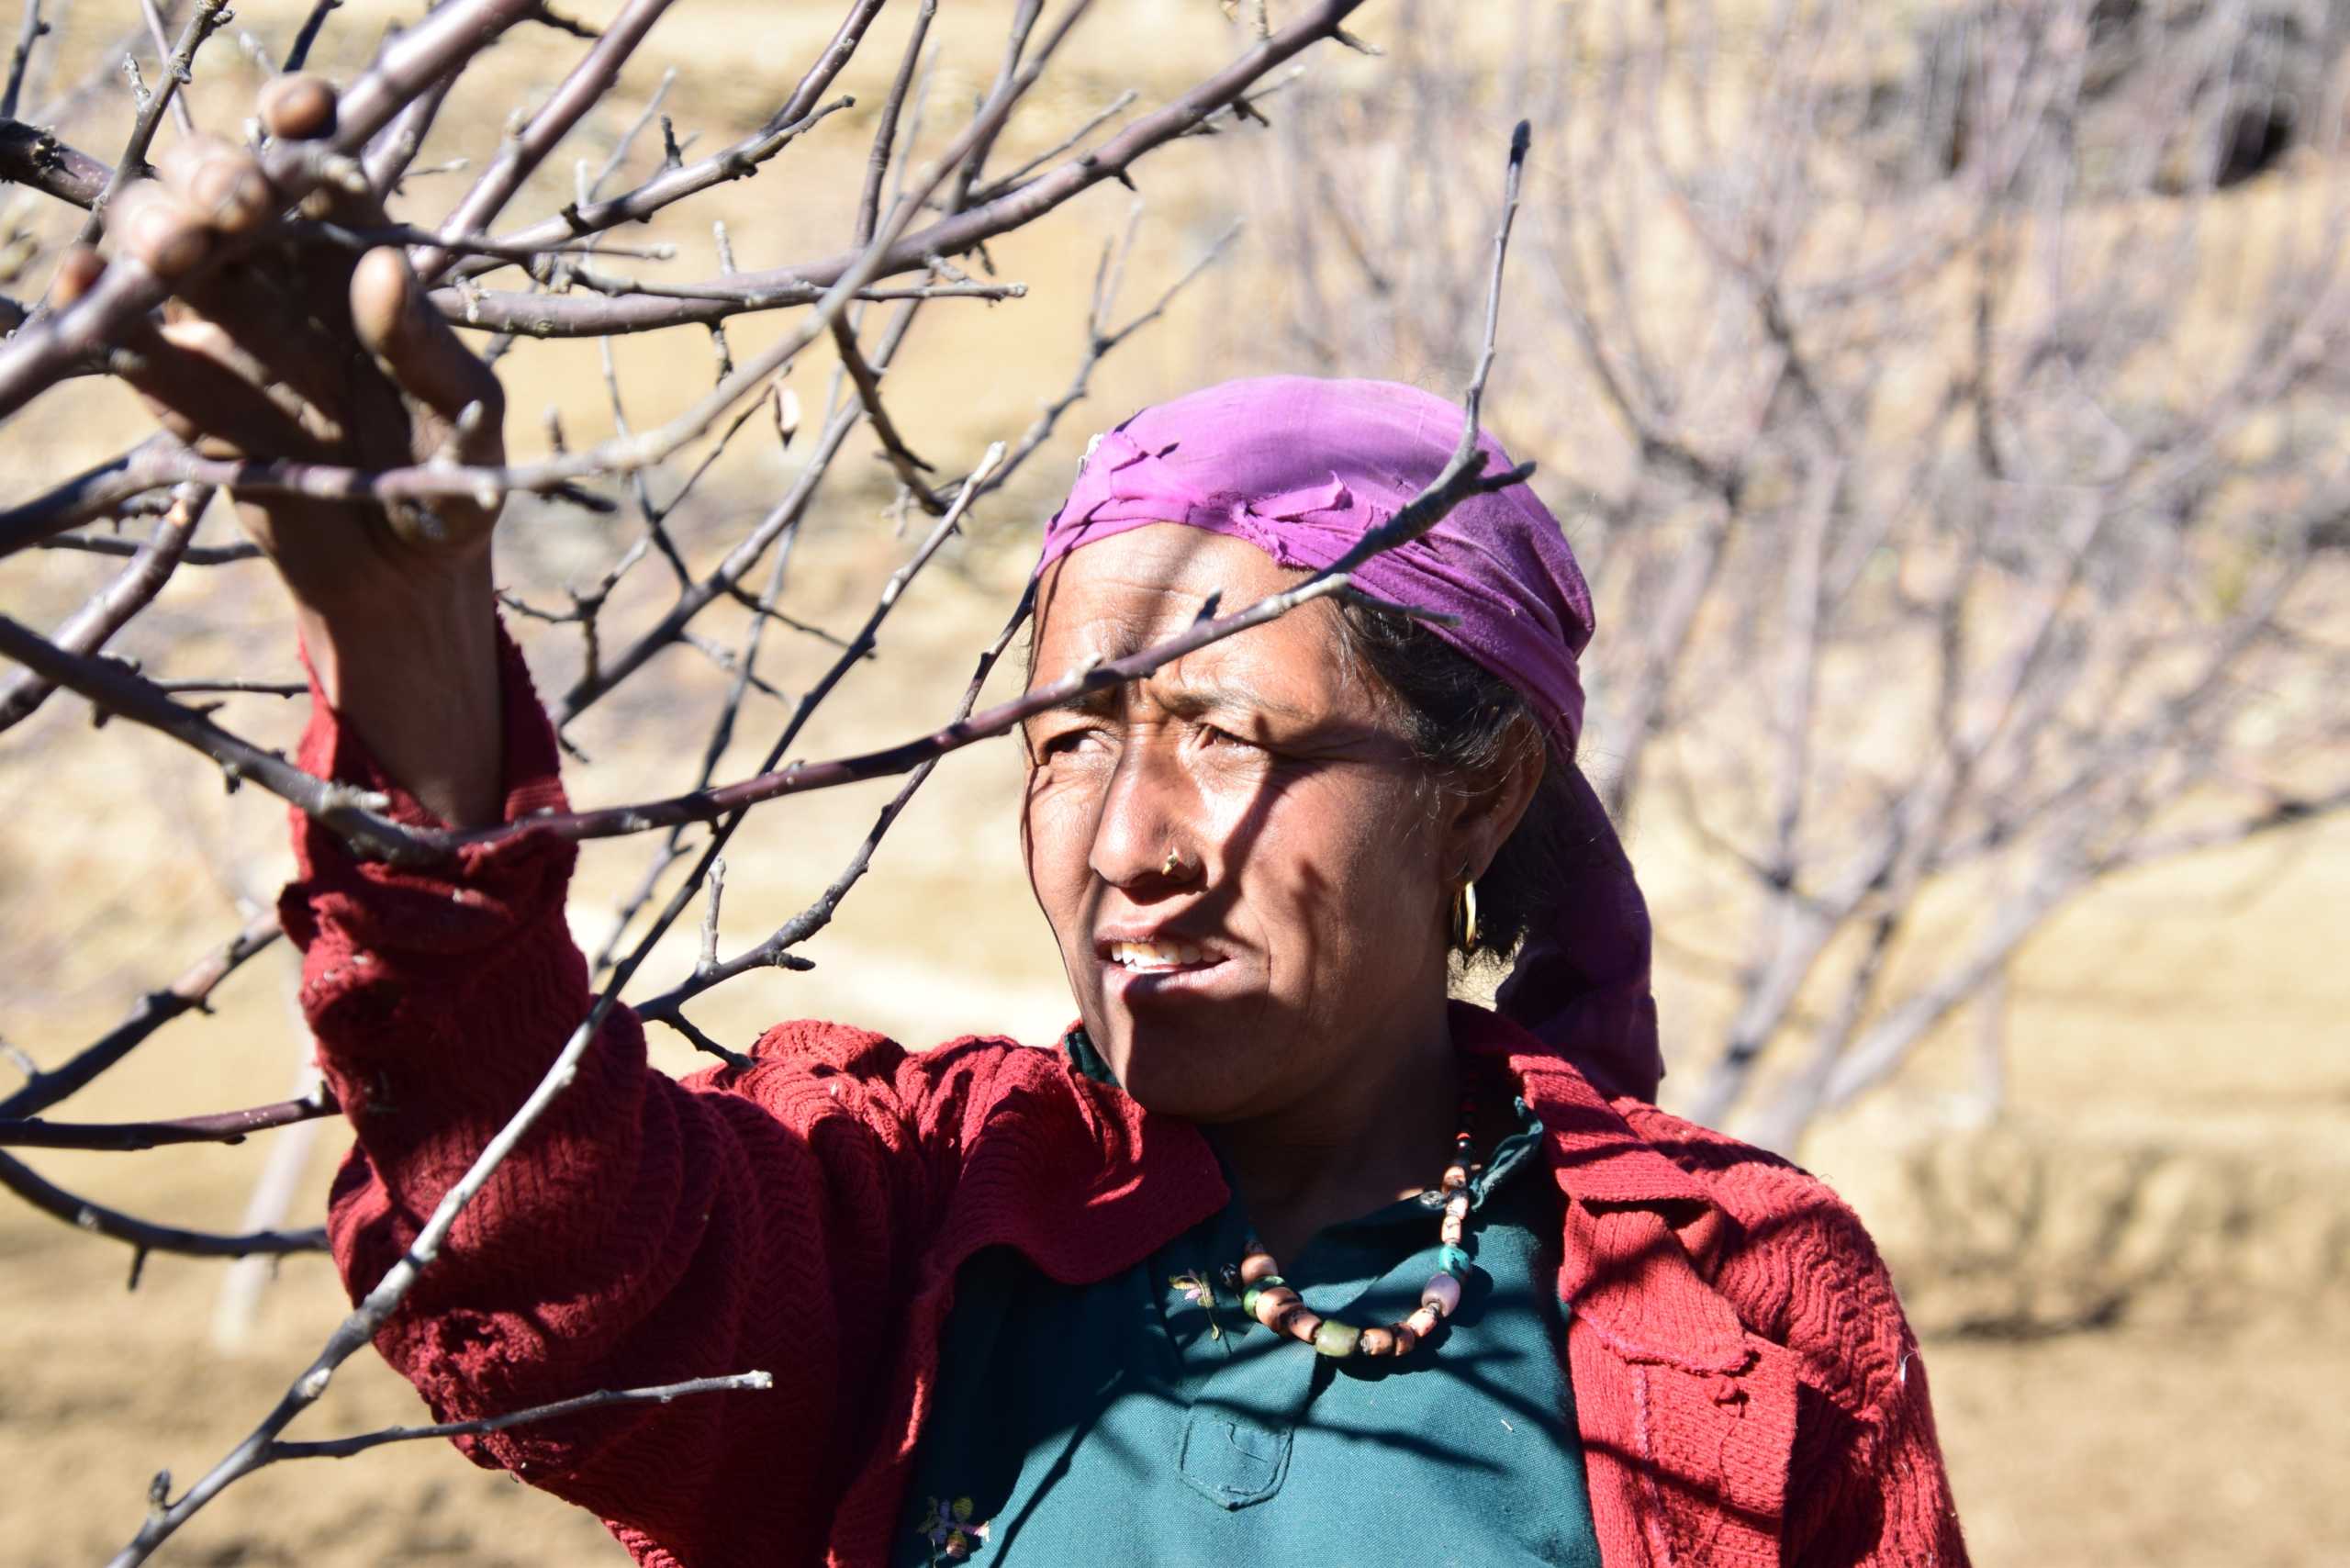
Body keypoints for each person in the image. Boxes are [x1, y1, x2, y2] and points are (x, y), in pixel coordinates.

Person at [81, 76, 1969, 1568]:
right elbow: (548, 1258)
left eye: (1224, 731)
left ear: (1475, 786)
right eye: (1069, 736)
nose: (1126, 837)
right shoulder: (916, 1211)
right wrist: (408, 648)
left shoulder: (1724, 1295)